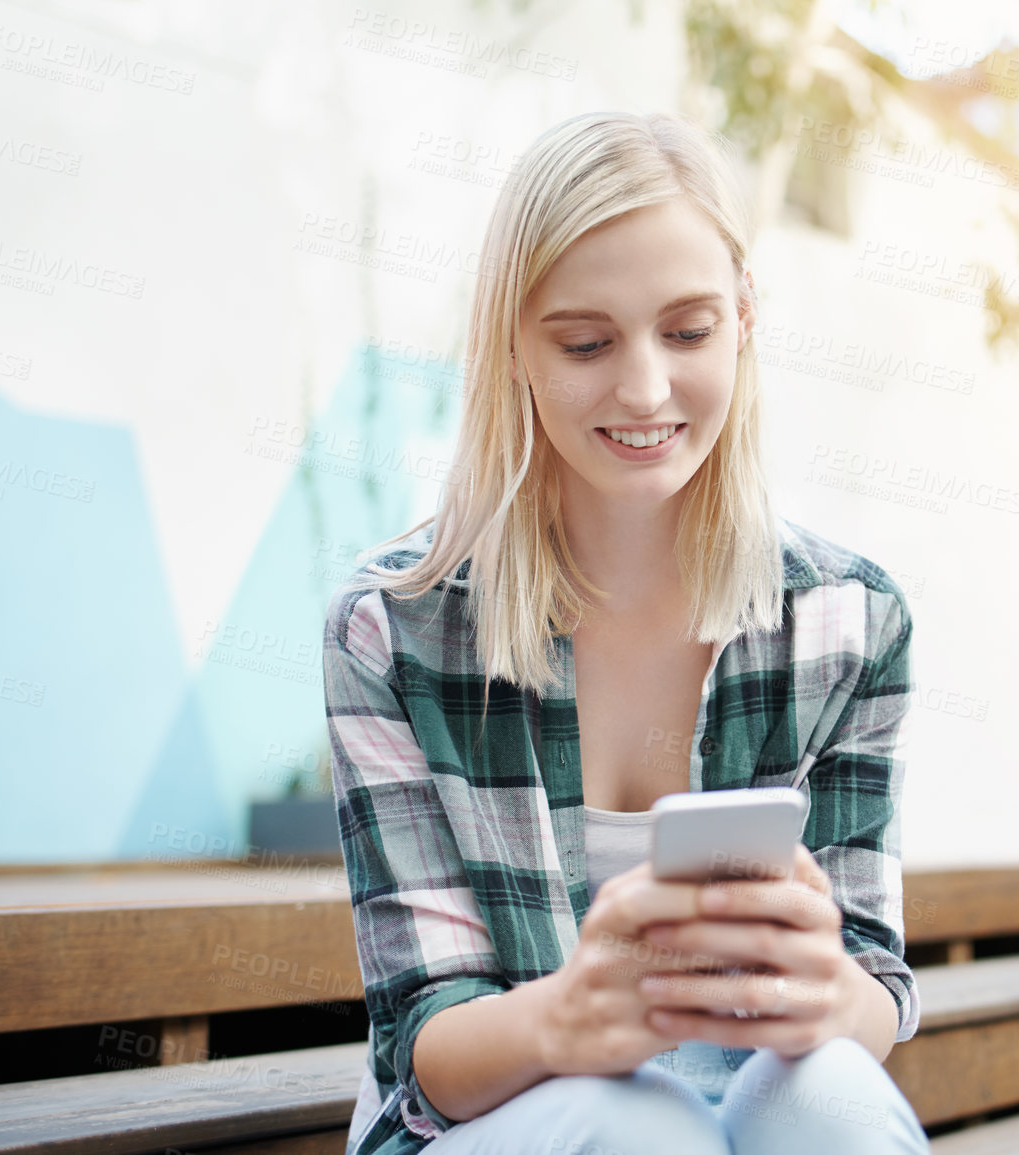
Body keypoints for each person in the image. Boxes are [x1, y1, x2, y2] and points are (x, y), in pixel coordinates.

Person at [321, 109, 928, 1155]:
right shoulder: (391, 628)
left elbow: (877, 989)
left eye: (688, 331)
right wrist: (573, 1012)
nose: (644, 388)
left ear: (746, 319)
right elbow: (424, 1046)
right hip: (507, 1122)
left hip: (746, 1117)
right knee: (638, 1127)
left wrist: (827, 991)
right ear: (511, 343)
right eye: (587, 342)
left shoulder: (849, 619)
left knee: (827, 1094)